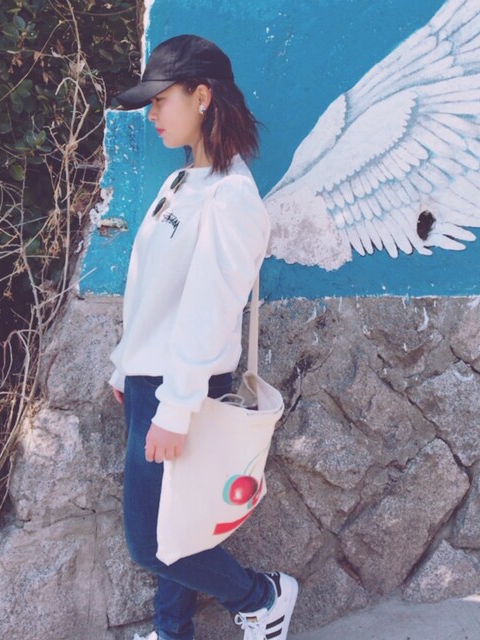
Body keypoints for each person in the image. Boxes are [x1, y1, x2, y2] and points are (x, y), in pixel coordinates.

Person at [108, 34, 298, 640]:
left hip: (180, 386)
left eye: (161, 99)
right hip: (151, 380)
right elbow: (148, 290)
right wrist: (125, 367)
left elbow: (208, 312)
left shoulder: (230, 197)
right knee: (178, 524)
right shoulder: (182, 182)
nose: (152, 113)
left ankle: (263, 596)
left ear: (203, 96)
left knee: (150, 542)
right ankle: (173, 633)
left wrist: (175, 406)